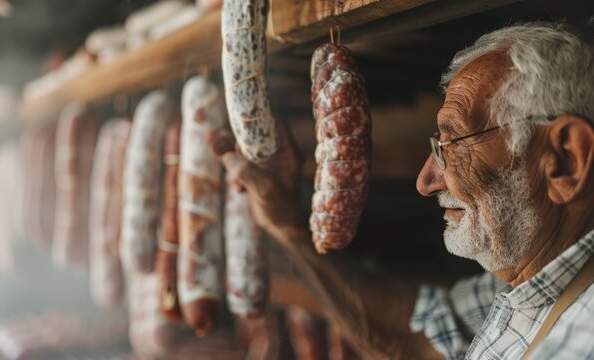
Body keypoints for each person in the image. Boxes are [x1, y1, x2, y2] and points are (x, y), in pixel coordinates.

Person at [210, 21, 594, 359]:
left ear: (565, 160)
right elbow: (412, 339)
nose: (425, 182)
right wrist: (288, 226)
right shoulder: (533, 285)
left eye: (454, 142)